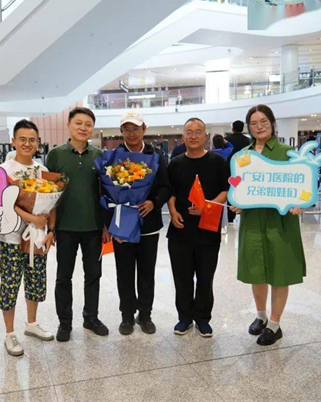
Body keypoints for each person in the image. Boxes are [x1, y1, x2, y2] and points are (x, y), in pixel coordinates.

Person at [229, 104, 305, 346]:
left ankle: (274, 323)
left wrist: (299, 201)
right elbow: (238, 187)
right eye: (254, 123)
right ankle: (261, 315)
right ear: (248, 127)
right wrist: (237, 202)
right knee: (256, 270)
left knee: (279, 272)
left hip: (280, 221)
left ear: (272, 123)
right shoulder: (242, 156)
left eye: (263, 121)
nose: (259, 126)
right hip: (252, 221)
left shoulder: (287, 152)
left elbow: (303, 183)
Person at [45, 107, 111, 342]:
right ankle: (65, 322)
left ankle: (91, 318)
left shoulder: (99, 155)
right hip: (65, 227)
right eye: (78, 123)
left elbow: (105, 191)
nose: (83, 128)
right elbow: (49, 194)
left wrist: (106, 225)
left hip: (93, 227)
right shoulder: (56, 155)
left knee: (93, 275)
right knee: (64, 277)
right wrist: (51, 228)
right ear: (69, 125)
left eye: (88, 124)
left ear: (92, 128)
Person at [105, 112, 171, 336]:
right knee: (124, 272)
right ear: (121, 132)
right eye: (127, 129)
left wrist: (154, 202)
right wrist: (109, 221)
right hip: (122, 224)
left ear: (144, 129)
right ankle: (126, 315)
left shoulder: (156, 156)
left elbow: (166, 186)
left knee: (146, 273)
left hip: (148, 224)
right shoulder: (114, 157)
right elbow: (104, 189)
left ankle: (145, 315)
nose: (131, 133)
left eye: (135, 128)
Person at [167, 118, 230, 337]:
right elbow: (169, 191)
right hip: (180, 229)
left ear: (206, 136)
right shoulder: (175, 163)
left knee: (205, 277)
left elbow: (226, 190)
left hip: (208, 229)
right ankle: (184, 318)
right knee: (182, 278)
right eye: (189, 132)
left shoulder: (218, 162)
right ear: (183, 137)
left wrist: (207, 207)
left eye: (198, 132)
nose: (193, 136)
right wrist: (172, 211)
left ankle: (203, 318)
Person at [0, 120, 56, 356]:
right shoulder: (4, 170)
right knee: (10, 283)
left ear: (38, 143)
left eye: (32, 140)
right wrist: (32, 218)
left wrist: (51, 230)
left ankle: (31, 324)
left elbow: (52, 202)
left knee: (36, 280)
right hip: (12, 236)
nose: (27, 143)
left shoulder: (42, 170)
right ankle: (9, 333)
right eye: (22, 139)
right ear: (13, 141)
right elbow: (4, 202)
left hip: (37, 236)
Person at [226, 121, 250, 223]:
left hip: (229, 169)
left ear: (232, 128)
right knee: (244, 191)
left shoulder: (226, 140)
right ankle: (244, 213)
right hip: (244, 169)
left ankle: (230, 216)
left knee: (230, 191)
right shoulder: (248, 141)